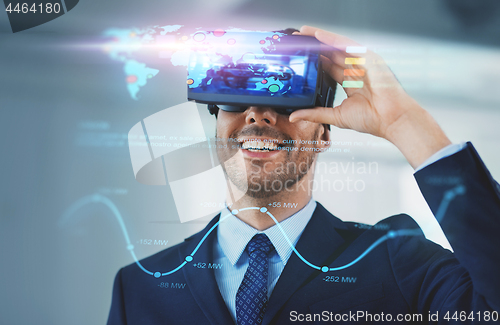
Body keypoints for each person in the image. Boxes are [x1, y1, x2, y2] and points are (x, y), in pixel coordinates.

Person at [107, 26, 500, 324]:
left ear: (323, 133)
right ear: (215, 126)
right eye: (236, 97)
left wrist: (403, 121)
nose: (258, 115)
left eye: (282, 102)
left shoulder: (397, 260)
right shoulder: (141, 286)